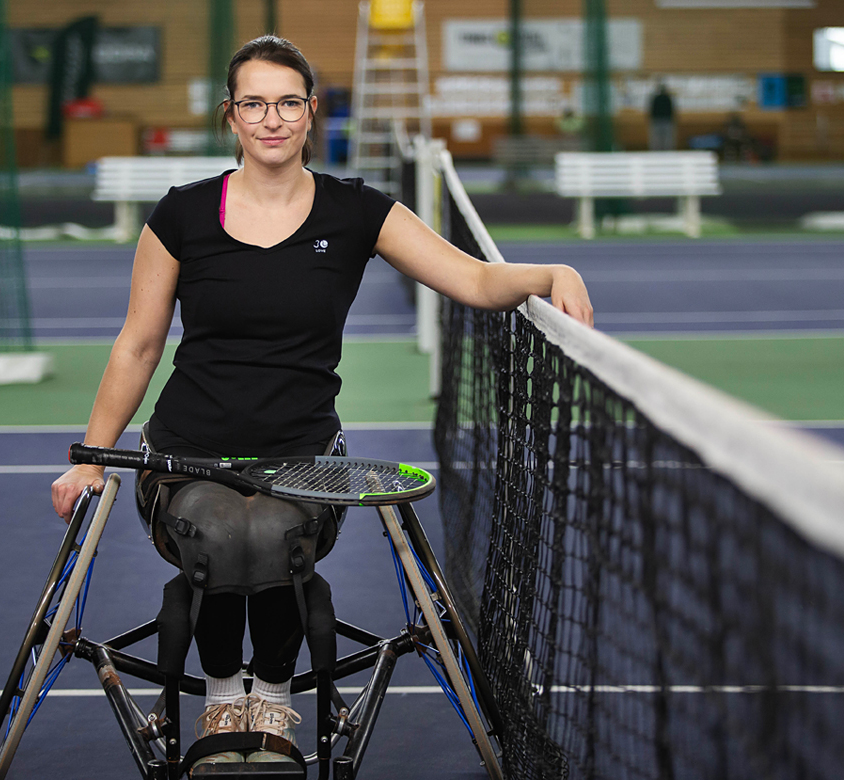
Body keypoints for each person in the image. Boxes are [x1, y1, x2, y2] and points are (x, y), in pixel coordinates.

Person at [50, 35, 592, 772]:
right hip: (182, 454)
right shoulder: (179, 216)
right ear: (231, 117)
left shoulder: (357, 212)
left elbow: (470, 280)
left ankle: (272, 692)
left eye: (288, 102)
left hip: (304, 461)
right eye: (254, 103)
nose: (271, 118)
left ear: (311, 114)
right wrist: (90, 456)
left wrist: (549, 270)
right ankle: (219, 692)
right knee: (215, 527)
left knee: (269, 532)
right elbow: (139, 346)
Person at [648, 80, 676, 151]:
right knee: (667, 138)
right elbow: (672, 110)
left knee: (657, 138)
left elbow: (651, 110)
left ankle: (657, 150)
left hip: (658, 120)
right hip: (666, 120)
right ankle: (667, 150)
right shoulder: (667, 98)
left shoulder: (656, 98)